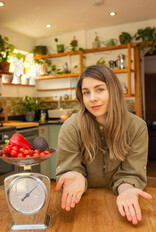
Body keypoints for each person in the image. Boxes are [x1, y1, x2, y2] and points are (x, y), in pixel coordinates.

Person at [55, 65, 152, 225]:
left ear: (113, 91)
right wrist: (75, 174)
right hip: (81, 203)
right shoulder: (71, 127)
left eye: (99, 89)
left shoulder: (137, 127)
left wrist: (127, 191)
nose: (92, 98)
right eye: (86, 92)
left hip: (121, 204)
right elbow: (68, 169)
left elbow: (131, 173)